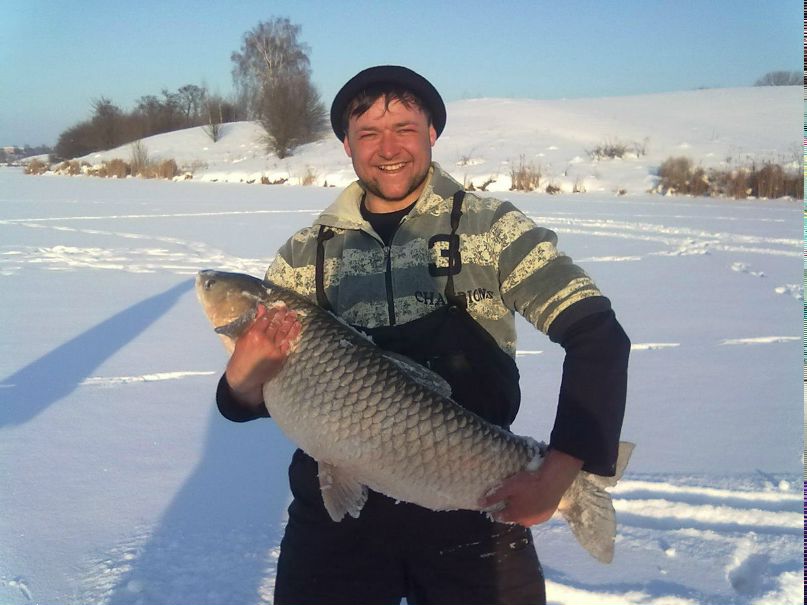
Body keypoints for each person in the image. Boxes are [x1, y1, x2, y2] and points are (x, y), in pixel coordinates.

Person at [216, 65, 630, 605]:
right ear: (346, 144)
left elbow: (597, 335)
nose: (388, 149)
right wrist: (240, 382)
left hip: (475, 496)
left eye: (404, 129)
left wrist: (560, 471)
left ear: (432, 133)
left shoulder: (489, 229)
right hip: (338, 513)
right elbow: (255, 400)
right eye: (368, 133)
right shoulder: (306, 254)